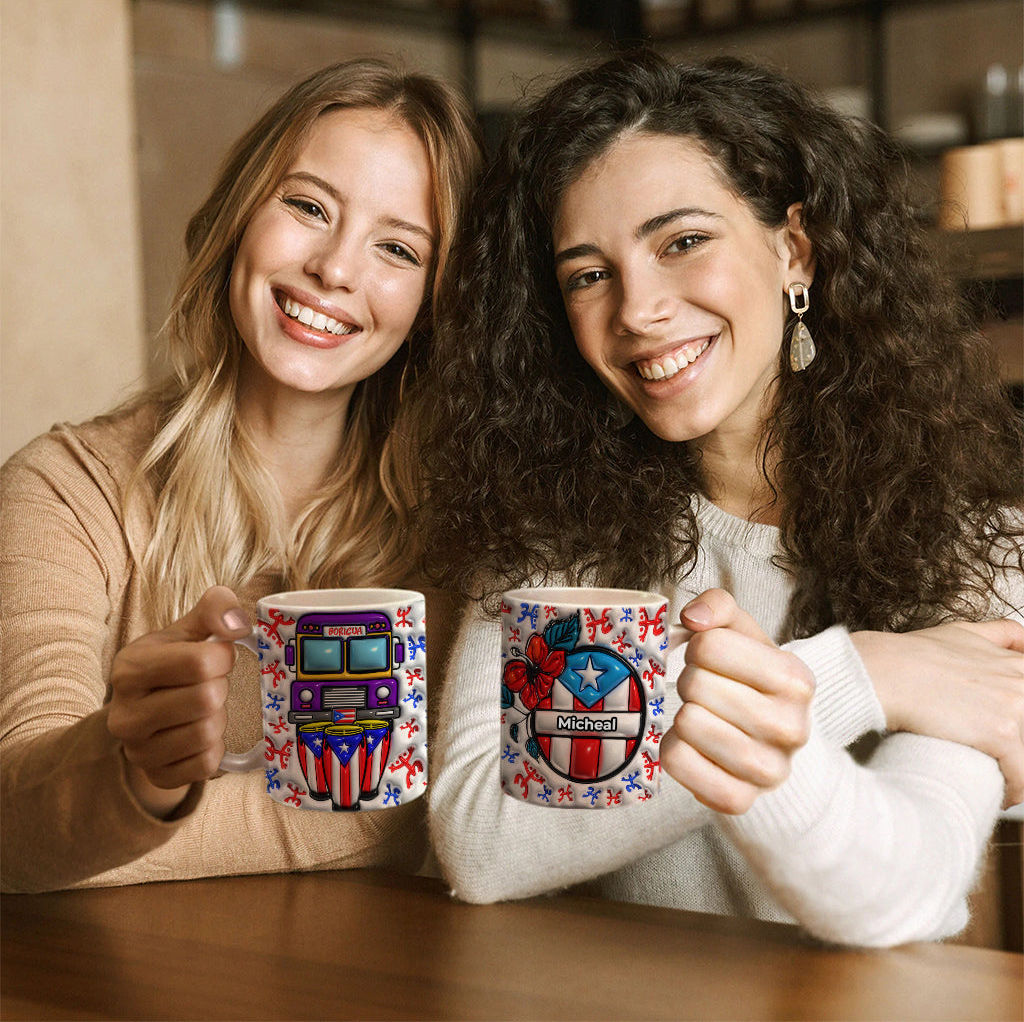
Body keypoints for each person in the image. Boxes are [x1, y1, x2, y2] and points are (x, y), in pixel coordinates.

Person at [416, 51, 1024, 947]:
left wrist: (774, 693)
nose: (637, 309)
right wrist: (858, 674)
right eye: (588, 274)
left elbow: (901, 890)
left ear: (794, 250)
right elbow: (480, 843)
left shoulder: (978, 543)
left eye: (682, 242)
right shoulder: (551, 539)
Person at [0, 57, 482, 893]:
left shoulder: (460, 530)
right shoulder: (65, 489)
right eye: (307, 206)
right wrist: (138, 774)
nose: (335, 268)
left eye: (397, 248)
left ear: (434, 302)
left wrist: (123, 832)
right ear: (237, 218)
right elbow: (16, 823)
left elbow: (428, 803)